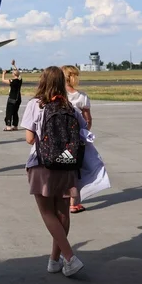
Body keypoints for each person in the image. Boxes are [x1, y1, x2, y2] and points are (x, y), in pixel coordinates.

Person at [20, 66, 86, 278]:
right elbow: (84, 132)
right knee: (62, 212)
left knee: (47, 213)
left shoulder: (35, 104)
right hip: (67, 164)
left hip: (42, 163)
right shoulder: (71, 107)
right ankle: (54, 260)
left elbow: (30, 138)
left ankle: (69, 257)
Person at [62, 65, 92, 214]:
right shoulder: (82, 97)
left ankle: (61, 197)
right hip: (76, 140)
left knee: (61, 168)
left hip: (60, 139)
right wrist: (84, 132)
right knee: (74, 170)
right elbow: (88, 120)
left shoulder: (58, 96)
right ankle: (74, 202)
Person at [1, 60, 22, 131]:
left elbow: (3, 80)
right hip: (18, 98)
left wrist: (3, 73)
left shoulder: (12, 81)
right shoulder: (20, 80)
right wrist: (14, 65)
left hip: (12, 98)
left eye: (13, 72)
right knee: (15, 112)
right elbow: (18, 72)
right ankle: (15, 125)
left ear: (14, 74)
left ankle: (8, 126)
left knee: (9, 112)